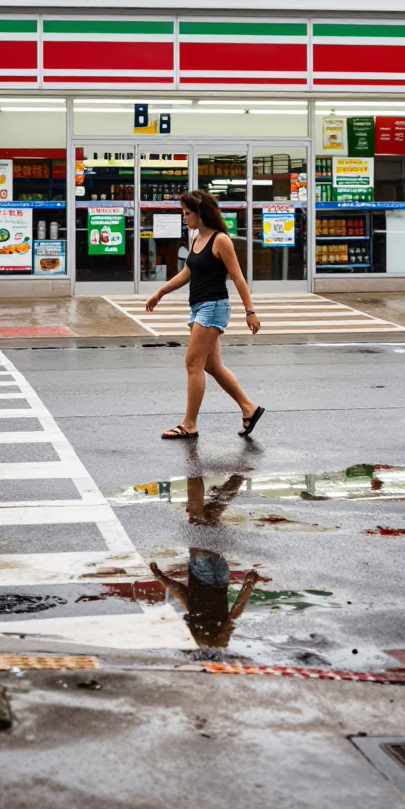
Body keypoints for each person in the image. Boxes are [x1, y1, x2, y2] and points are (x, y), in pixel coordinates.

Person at [145, 189, 265, 440]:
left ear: (201, 213)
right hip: (199, 306)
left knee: (192, 363)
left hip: (214, 307)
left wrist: (250, 311)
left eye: (187, 213)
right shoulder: (196, 239)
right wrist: (160, 292)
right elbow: (187, 272)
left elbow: (238, 277)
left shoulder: (220, 240)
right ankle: (249, 407)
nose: (184, 217)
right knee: (212, 365)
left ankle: (190, 424)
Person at [149, 473, 260, 648]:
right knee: (196, 519)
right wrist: (161, 577)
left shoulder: (214, 637)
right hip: (202, 573)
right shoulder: (202, 636)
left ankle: (237, 479)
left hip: (221, 576)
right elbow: (186, 597)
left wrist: (248, 585)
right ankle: (193, 466)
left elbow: (233, 612)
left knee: (210, 517)